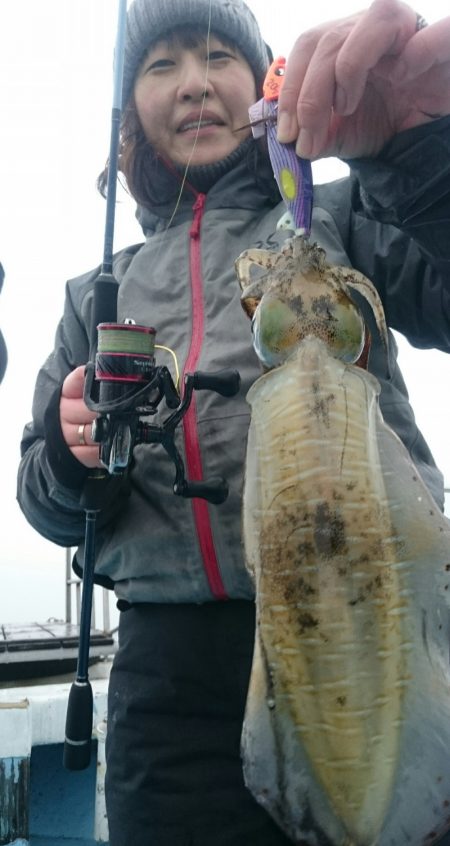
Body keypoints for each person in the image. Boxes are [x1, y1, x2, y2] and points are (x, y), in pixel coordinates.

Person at [17, 0, 450, 843]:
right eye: (162, 65)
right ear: (131, 112)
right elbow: (45, 498)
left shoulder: (349, 219)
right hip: (169, 691)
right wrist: (70, 460)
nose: (193, 84)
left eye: (219, 57)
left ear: (263, 85)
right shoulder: (95, 296)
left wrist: (414, 155)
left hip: (369, 618)